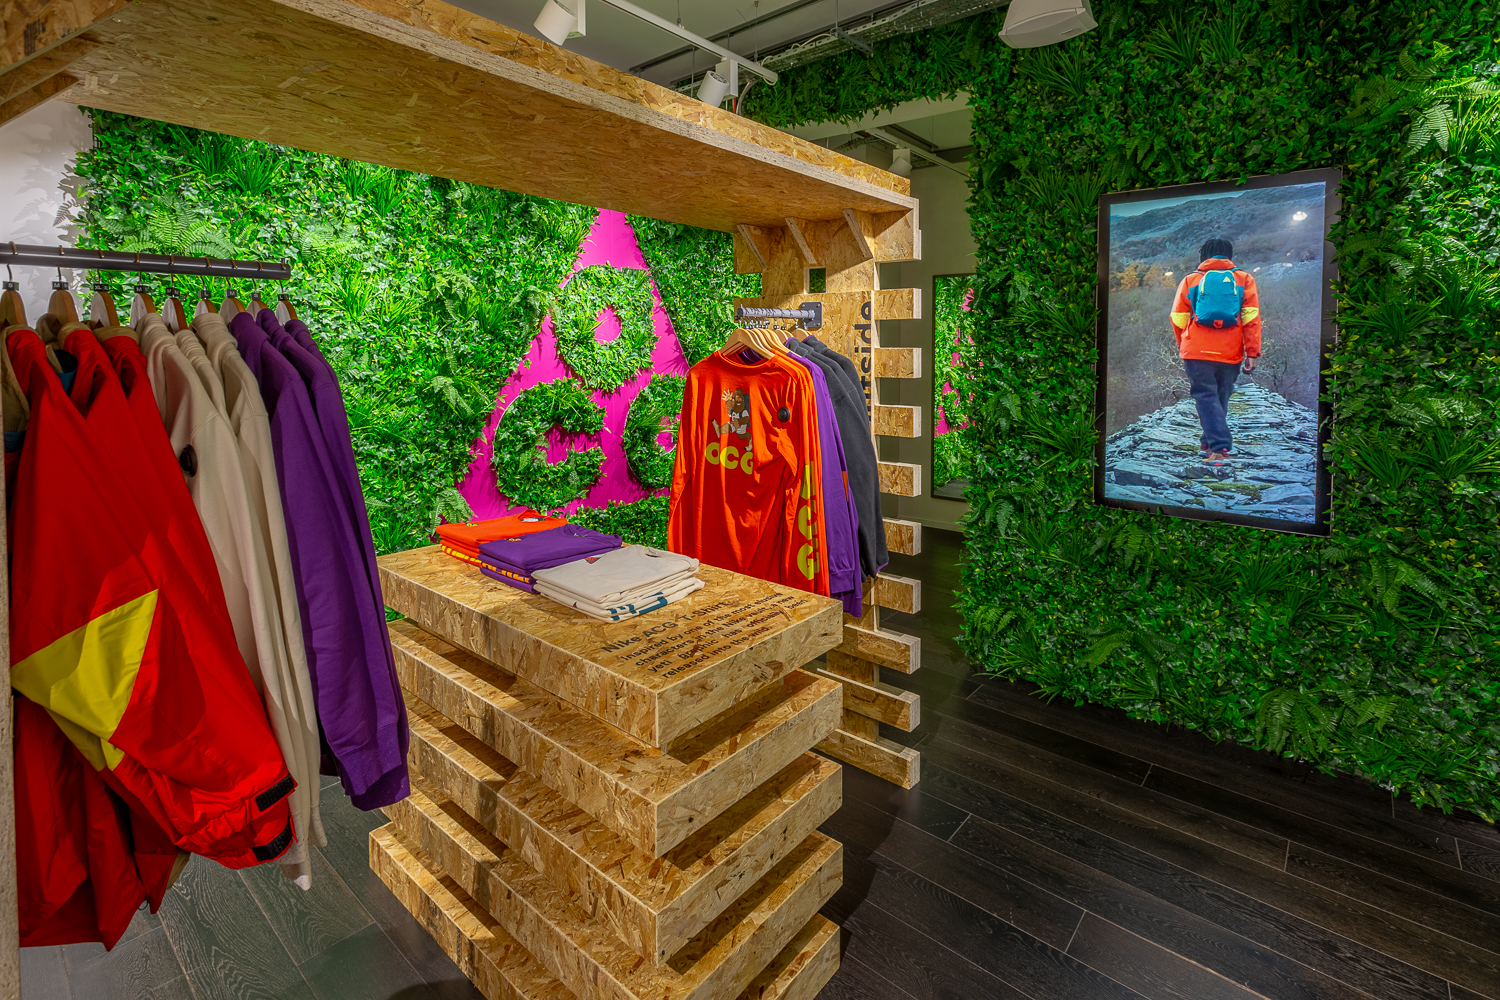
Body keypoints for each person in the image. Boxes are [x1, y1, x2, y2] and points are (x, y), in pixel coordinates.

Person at [1168, 238, 1261, 466]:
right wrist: (1252, 352)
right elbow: (1251, 319)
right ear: (1229, 256)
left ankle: (1219, 450)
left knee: (1206, 396)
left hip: (1197, 351)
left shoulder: (1191, 280)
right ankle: (1209, 443)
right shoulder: (1244, 279)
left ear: (1204, 256)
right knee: (1221, 395)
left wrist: (1184, 344)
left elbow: (1178, 318)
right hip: (1230, 351)